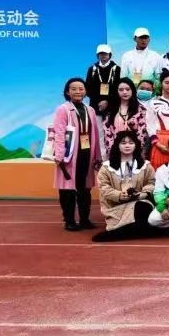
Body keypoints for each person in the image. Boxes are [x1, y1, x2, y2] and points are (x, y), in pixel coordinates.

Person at [53, 78, 104, 231]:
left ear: (85, 91)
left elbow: (95, 134)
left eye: (81, 89)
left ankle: (84, 220)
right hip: (69, 156)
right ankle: (69, 220)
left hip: (86, 154)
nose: (77, 92)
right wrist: (60, 155)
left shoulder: (90, 110)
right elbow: (59, 132)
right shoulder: (63, 109)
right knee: (67, 189)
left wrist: (97, 156)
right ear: (67, 92)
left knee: (85, 188)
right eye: (73, 89)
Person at [92, 131, 158, 242]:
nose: (127, 146)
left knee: (143, 207)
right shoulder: (106, 167)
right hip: (116, 206)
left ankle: (123, 232)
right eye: (123, 143)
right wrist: (119, 195)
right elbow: (104, 187)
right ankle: (133, 231)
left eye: (131, 143)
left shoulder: (145, 165)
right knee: (143, 222)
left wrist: (143, 194)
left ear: (136, 145)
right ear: (117, 145)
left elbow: (151, 183)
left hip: (139, 202)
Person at [102, 78, 150, 159]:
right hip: (115, 153)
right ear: (117, 91)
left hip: (135, 153)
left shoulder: (141, 109)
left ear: (132, 91)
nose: (124, 92)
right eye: (121, 90)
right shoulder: (110, 110)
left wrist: (134, 150)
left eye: (127, 89)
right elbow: (107, 134)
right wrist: (113, 151)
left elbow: (142, 133)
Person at [85, 44, 121, 117]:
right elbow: (88, 88)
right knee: (96, 124)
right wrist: (99, 101)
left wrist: (107, 101)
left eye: (105, 53)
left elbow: (118, 88)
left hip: (112, 106)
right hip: (95, 105)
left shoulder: (117, 69)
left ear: (110, 54)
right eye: (101, 53)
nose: (103, 55)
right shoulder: (92, 69)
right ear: (98, 55)